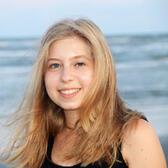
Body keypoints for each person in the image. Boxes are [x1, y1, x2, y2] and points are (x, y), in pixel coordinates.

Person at [0, 18, 166, 168]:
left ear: (101, 70)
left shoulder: (134, 134)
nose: (66, 77)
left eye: (79, 64)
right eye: (55, 65)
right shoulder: (41, 139)